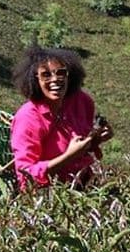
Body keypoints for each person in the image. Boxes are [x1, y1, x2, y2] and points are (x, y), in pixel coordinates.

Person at [10, 46, 113, 190]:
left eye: (61, 73)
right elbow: (26, 176)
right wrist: (68, 156)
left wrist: (96, 138)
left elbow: (84, 145)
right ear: (35, 79)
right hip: (51, 196)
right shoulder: (27, 118)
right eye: (46, 75)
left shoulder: (82, 101)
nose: (55, 79)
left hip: (84, 184)